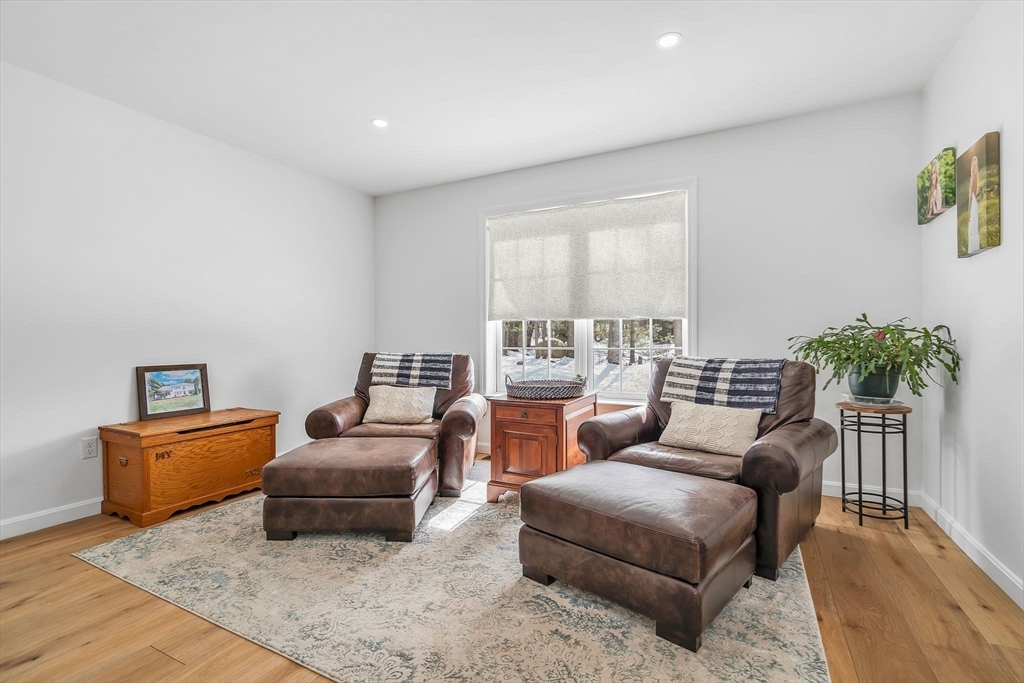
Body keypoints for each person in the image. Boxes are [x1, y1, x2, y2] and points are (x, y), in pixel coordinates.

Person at [966, 155, 981, 254]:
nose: (972, 167)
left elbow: (970, 196)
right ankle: (975, 247)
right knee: (974, 228)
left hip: (972, 204)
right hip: (975, 203)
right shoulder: (976, 177)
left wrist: (968, 211)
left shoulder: (972, 178)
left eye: (974, 165)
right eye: (971, 165)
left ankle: (972, 249)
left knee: (972, 227)